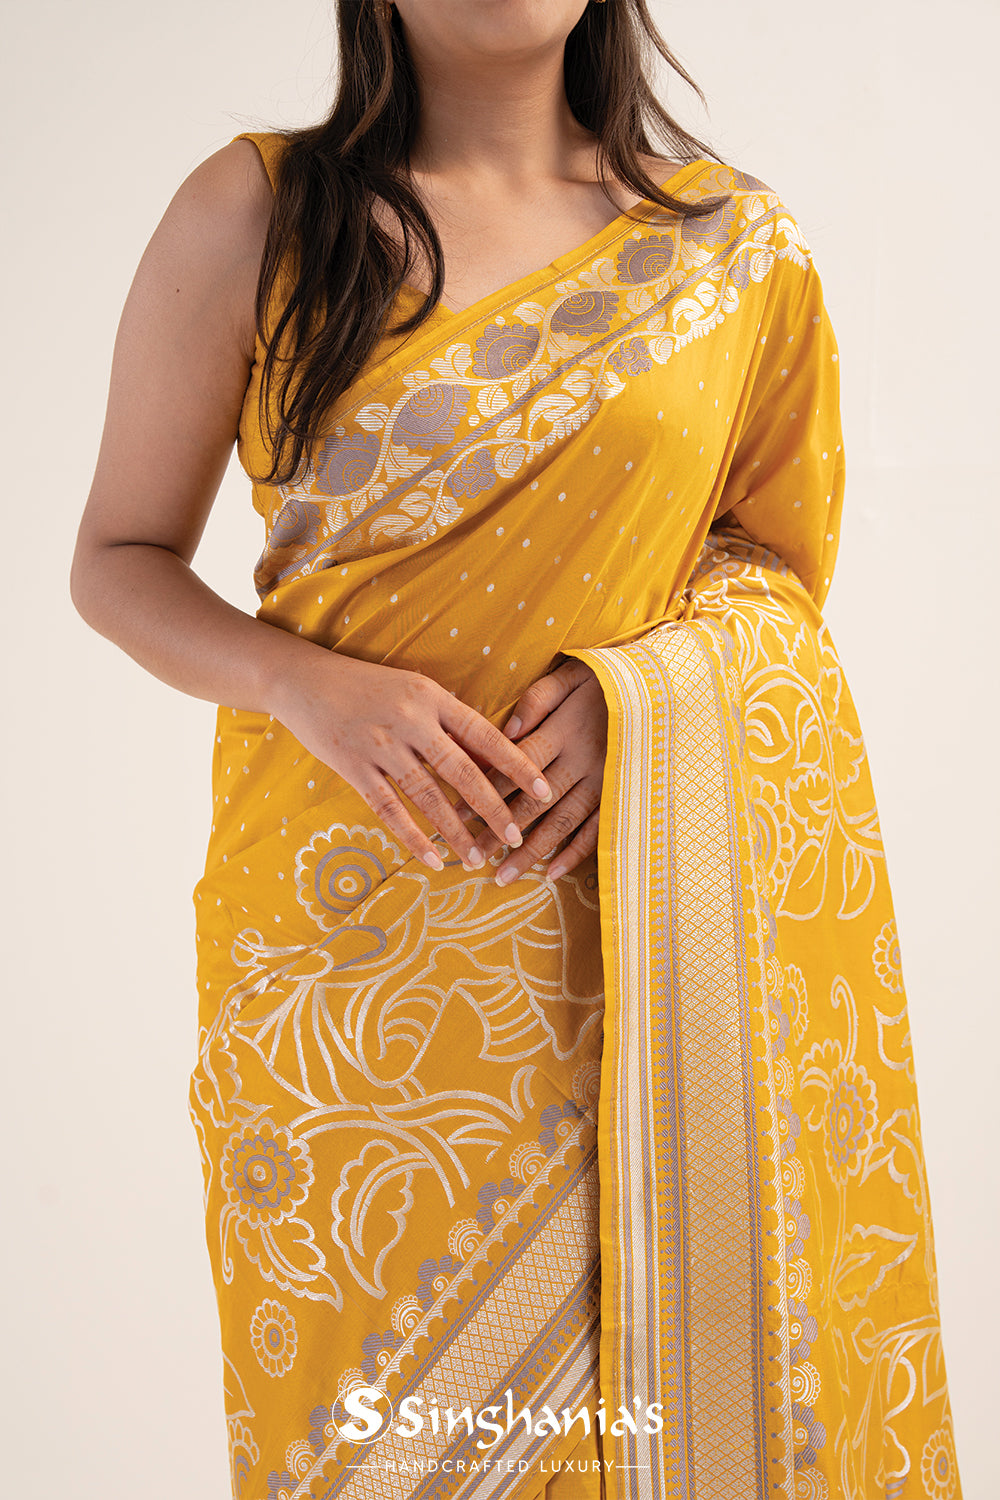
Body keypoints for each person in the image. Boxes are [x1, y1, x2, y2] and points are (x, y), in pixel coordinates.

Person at [69, 2, 963, 1497]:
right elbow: (117, 560)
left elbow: (772, 579)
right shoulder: (260, 213)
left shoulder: (732, 252)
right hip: (342, 983)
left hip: (634, 944)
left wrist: (648, 701)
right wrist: (306, 688)